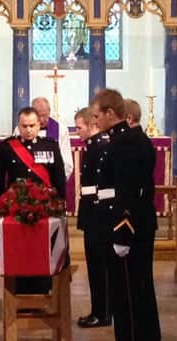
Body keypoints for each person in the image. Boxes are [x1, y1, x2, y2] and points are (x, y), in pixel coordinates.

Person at [90, 89, 159, 341]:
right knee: (130, 295)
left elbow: (129, 193)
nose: (95, 122)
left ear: (110, 113)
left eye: (96, 116)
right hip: (129, 229)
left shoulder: (126, 143)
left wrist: (122, 234)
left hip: (128, 233)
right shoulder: (123, 140)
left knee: (127, 298)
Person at [0, 107, 66, 294]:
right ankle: (20, 291)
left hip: (44, 209)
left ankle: (43, 290)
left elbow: (58, 177)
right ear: (18, 126)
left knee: (41, 250)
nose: (28, 130)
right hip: (15, 210)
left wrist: (60, 204)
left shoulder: (50, 145)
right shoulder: (8, 147)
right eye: (24, 126)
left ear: (39, 124)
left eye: (32, 125)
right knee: (19, 251)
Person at [124, 98, 161, 341]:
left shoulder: (134, 144)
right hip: (144, 219)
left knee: (139, 283)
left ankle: (145, 336)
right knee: (142, 281)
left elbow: (130, 186)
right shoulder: (139, 141)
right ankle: (149, 334)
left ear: (127, 119)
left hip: (138, 221)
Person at [75, 107, 111, 328]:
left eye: (80, 127)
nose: (77, 132)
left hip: (97, 214)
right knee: (95, 266)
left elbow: (100, 186)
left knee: (99, 267)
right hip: (92, 212)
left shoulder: (99, 147)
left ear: (92, 125)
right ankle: (99, 309)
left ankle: (102, 312)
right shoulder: (93, 146)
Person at [14, 97, 73, 181]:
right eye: (39, 115)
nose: (42, 120)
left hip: (51, 182)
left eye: (45, 115)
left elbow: (67, 163)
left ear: (49, 112)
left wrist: (56, 181)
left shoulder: (61, 130)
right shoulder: (20, 130)